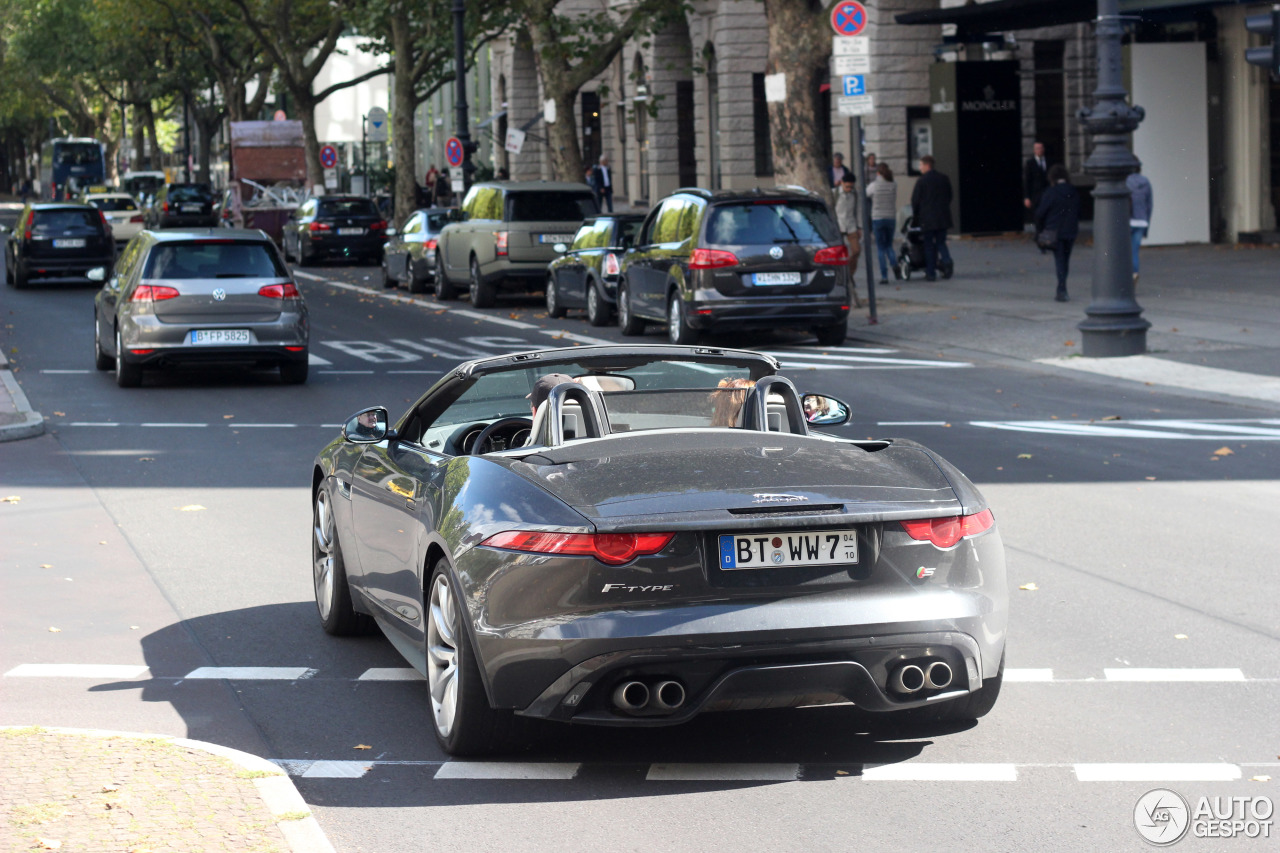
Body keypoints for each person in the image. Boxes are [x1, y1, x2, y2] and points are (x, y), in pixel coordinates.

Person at [1034, 164, 1081, 303]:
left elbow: (1040, 213)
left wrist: (1041, 229)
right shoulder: (1073, 191)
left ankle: (1062, 289)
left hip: (1055, 230)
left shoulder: (1051, 192)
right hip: (1071, 230)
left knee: (1059, 260)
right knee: (1065, 260)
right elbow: (1079, 211)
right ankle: (1062, 287)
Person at [910, 155, 953, 281]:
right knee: (941, 242)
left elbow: (915, 201)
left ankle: (931, 272)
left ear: (927, 165)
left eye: (921, 165)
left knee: (928, 245)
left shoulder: (922, 181)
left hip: (927, 219)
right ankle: (947, 261)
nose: (920, 168)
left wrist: (916, 216)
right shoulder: (944, 178)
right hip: (943, 217)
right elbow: (950, 196)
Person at [866, 162, 898, 284]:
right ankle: (894, 263)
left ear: (878, 173)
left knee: (880, 248)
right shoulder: (893, 184)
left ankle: (884, 276)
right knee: (889, 245)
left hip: (878, 218)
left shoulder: (874, 185)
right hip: (891, 217)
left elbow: (866, 194)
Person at [834, 176, 862, 304]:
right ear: (842, 183)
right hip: (839, 226)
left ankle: (849, 274)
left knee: (856, 250)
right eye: (847, 186)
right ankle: (841, 277)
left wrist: (859, 227)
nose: (849, 189)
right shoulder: (834, 193)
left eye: (851, 187)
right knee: (839, 255)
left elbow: (858, 211)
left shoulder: (854, 195)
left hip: (851, 225)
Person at [1127, 164, 1153, 286]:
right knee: (1134, 250)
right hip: (1141, 220)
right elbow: (1149, 204)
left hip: (1127, 220)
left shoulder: (1125, 181)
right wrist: (1146, 226)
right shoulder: (1145, 182)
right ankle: (1134, 273)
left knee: (1123, 250)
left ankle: (1124, 277)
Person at [1023, 141, 1050, 214]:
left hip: (1048, 194)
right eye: (1038, 148)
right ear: (1034, 150)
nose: (1040, 150)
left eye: (1041, 148)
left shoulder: (1049, 161)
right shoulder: (1030, 163)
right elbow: (1027, 180)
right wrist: (1027, 197)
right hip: (1035, 196)